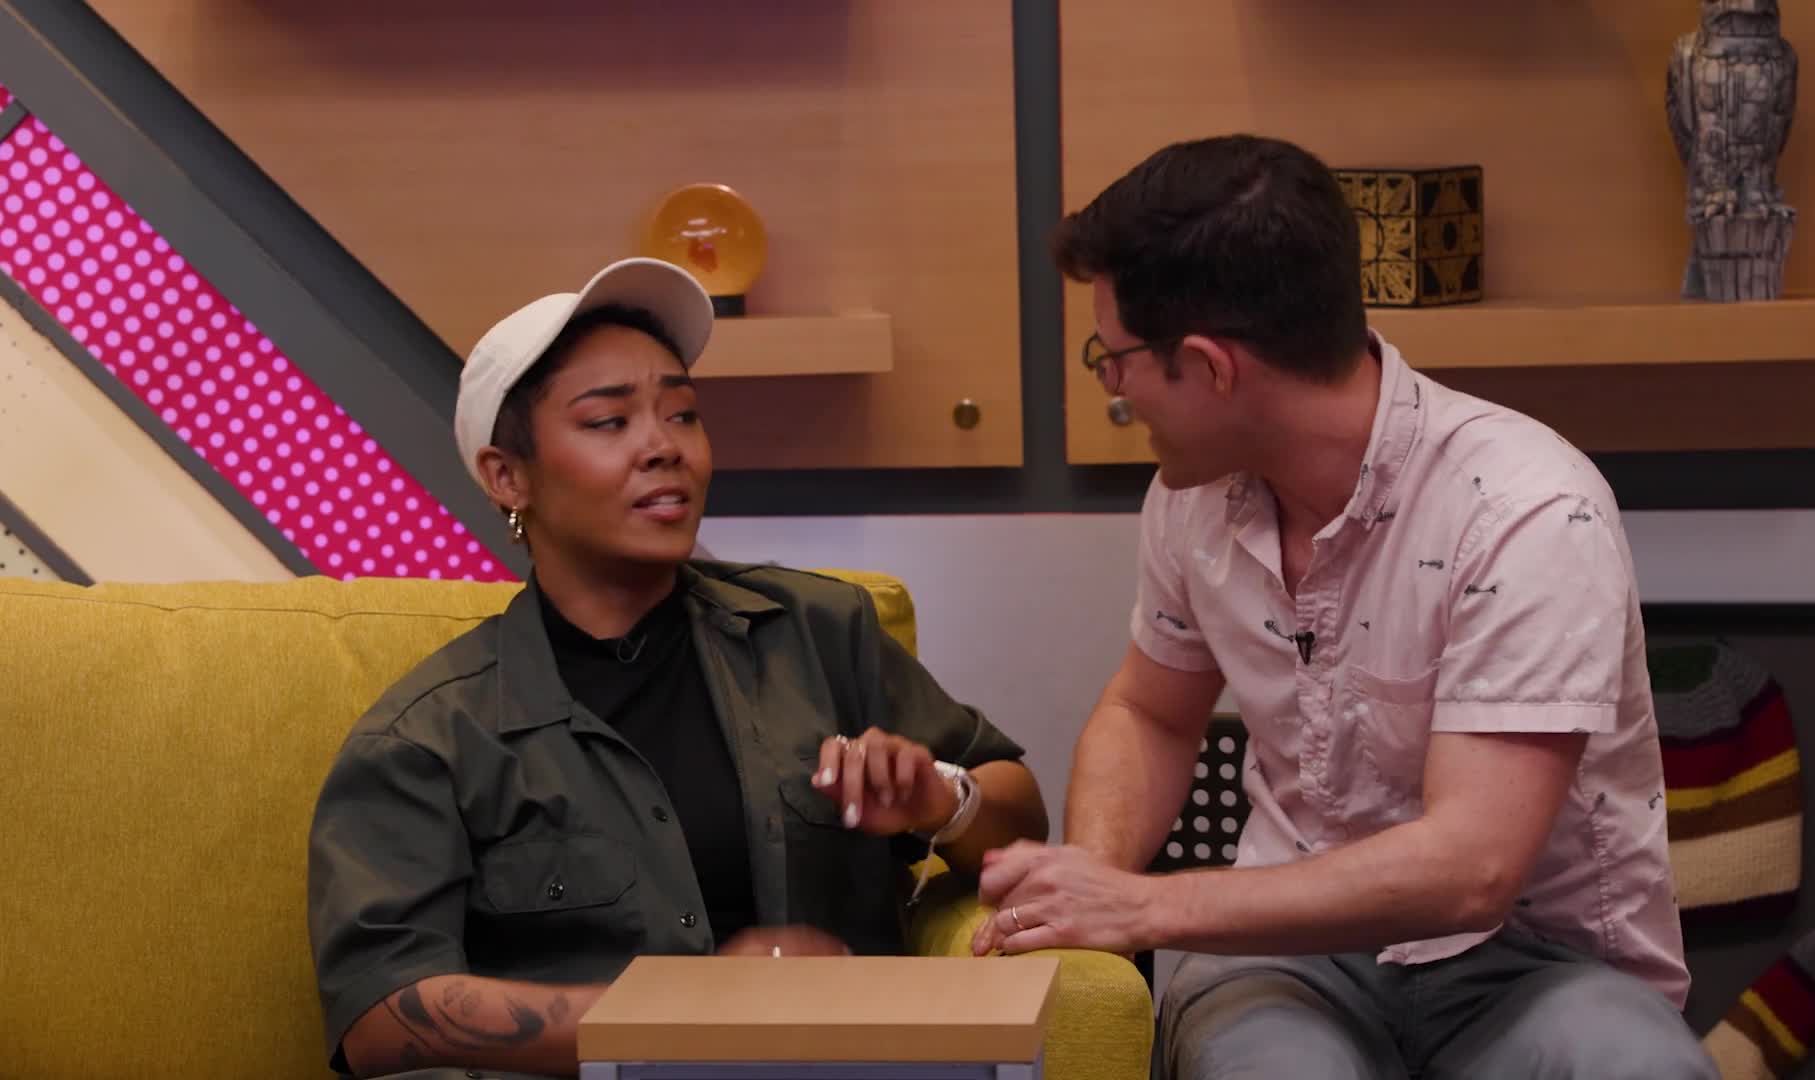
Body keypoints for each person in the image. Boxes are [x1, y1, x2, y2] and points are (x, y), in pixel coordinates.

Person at [969, 135, 1714, 1079]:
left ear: (1210, 366)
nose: (1112, 388)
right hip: (1281, 961)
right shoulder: (1191, 501)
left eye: (1112, 359)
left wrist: (1148, 907)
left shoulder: (1526, 509)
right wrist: (1094, 878)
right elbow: (1150, 713)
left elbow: (1472, 870)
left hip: (1533, 965)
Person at [306, 257, 1049, 1080]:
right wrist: (690, 1016)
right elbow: (379, 1017)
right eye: (608, 421)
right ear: (507, 476)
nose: (664, 447)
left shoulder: (817, 630)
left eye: (683, 414)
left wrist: (944, 801)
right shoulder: (430, 736)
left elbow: (1020, 815)